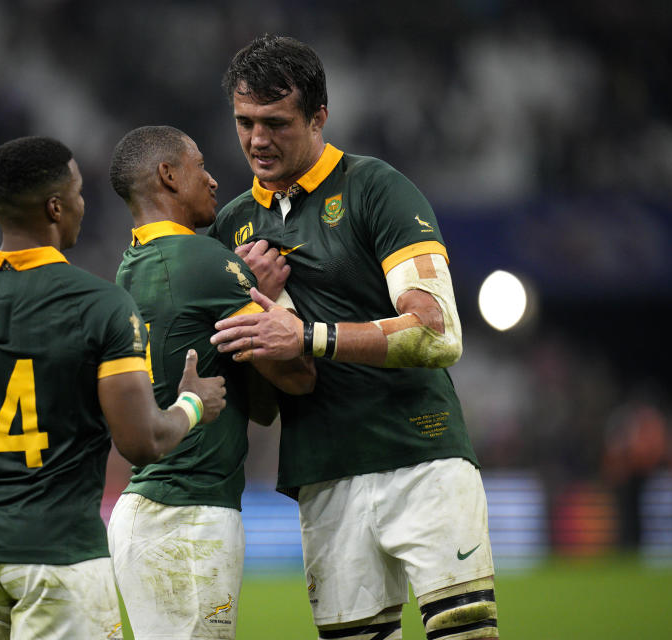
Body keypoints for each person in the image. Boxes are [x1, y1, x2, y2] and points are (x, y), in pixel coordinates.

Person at [207, 35, 499, 640]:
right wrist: (250, 303)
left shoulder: (375, 188)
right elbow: (259, 405)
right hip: (323, 472)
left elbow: (437, 333)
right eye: (244, 122)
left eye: (275, 122)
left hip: (423, 456)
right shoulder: (230, 227)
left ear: (319, 117)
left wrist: (308, 334)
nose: (257, 140)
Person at [0, 135, 226, 640]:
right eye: (77, 192)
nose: (83, 205)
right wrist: (194, 404)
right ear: (55, 207)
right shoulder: (100, 306)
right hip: (60, 553)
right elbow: (141, 441)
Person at [106, 125, 315, 640]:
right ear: (168, 175)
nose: (214, 179)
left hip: (158, 511)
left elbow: (259, 406)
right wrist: (267, 298)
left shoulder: (130, 268)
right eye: (200, 165)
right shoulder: (204, 261)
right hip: (186, 516)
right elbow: (299, 378)